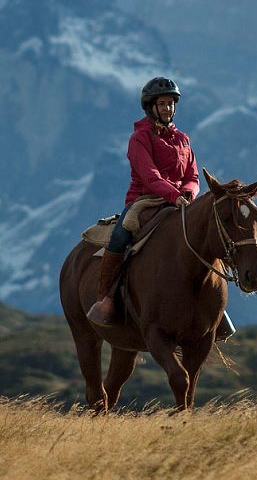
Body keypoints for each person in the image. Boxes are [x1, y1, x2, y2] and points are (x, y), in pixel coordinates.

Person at [86, 77, 233, 340]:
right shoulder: (139, 138)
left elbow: (193, 176)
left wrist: (188, 193)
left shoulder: (183, 139)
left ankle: (216, 309)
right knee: (121, 234)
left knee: (207, 236)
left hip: (180, 200)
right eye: (162, 104)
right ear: (150, 107)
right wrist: (174, 195)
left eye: (170, 104)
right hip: (145, 200)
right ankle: (105, 298)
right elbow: (150, 176)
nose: (167, 109)